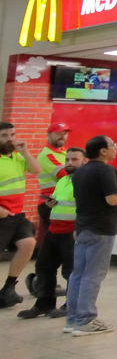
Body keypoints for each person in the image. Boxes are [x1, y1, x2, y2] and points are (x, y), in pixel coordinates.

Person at [66, 134, 117, 336]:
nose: (115, 148)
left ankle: (72, 318)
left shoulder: (80, 172)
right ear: (103, 151)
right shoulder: (105, 170)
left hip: (84, 227)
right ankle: (85, 319)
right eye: (112, 145)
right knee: (93, 274)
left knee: (78, 273)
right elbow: (112, 199)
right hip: (101, 229)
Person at [18, 146, 84, 319]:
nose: (69, 163)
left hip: (72, 232)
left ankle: (70, 304)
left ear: (84, 161)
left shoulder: (84, 181)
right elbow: (60, 202)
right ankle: (44, 303)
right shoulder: (63, 181)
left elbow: (87, 208)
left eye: (74, 159)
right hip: (54, 230)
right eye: (67, 160)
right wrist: (51, 202)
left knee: (71, 270)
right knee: (44, 266)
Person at [0, 121, 41, 308]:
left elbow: (36, 170)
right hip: (2, 214)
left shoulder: (17, 157)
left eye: (13, 135)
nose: (10, 139)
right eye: (5, 136)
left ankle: (9, 288)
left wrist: (25, 151)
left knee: (28, 243)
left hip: (17, 214)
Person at [34, 123, 70, 245]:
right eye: (58, 133)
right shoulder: (47, 155)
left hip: (61, 203)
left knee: (59, 241)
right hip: (50, 204)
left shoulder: (65, 154)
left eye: (64, 133)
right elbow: (66, 175)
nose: (62, 136)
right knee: (52, 242)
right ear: (48, 135)